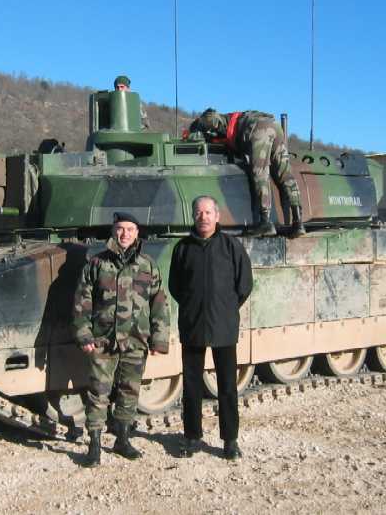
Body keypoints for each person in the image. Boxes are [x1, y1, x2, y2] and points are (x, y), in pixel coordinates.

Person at [71, 211, 170, 467]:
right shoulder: (97, 264)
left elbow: (159, 303)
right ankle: (94, 445)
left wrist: (159, 339)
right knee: (98, 392)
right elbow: (82, 301)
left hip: (136, 339)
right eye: (120, 229)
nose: (124, 234)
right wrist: (84, 334)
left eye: (130, 229)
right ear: (113, 231)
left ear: (137, 233)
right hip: (103, 339)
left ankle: (122, 439)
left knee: (129, 390)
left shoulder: (148, 265)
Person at [168, 195, 253, 461]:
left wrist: (225, 308)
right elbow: (175, 286)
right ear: (193, 216)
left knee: (227, 386)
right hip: (193, 325)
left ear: (217, 216)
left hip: (223, 326)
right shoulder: (182, 248)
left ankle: (230, 440)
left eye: (207, 212)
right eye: (198, 212)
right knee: (192, 384)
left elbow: (244, 284)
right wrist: (193, 306)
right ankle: (192, 437)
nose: (203, 217)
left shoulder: (231, 246)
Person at [190, 108, 305, 237]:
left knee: (260, 173)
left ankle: (265, 222)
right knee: (285, 175)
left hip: (259, 129)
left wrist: (198, 129)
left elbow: (212, 119)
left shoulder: (216, 121)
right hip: (274, 125)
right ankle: (298, 222)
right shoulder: (229, 124)